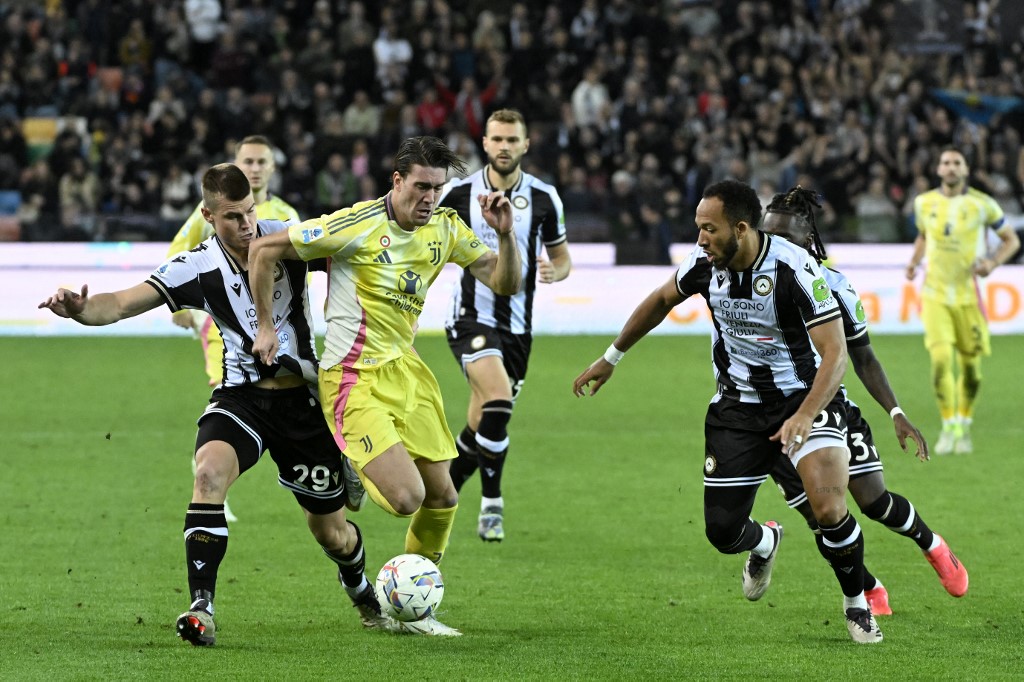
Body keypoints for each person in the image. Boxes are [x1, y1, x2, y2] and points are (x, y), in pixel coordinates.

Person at [38, 164, 391, 646]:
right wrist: (79, 310)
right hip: (240, 397)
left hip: (303, 403)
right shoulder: (196, 266)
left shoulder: (289, 239)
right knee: (207, 475)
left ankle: (360, 588)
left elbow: (358, 254)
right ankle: (201, 606)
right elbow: (120, 302)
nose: (247, 226)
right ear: (207, 215)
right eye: (232, 218)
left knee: (331, 533)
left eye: (250, 213)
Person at [573, 180, 883, 644]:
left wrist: (803, 415)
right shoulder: (703, 265)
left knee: (829, 508)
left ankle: (857, 603)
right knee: (721, 532)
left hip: (805, 400)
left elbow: (835, 354)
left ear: (741, 228)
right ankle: (765, 541)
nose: (700, 240)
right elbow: (661, 301)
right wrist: (611, 357)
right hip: (737, 409)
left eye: (709, 230)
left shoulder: (794, 270)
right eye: (698, 229)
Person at [249, 136, 523, 636]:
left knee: (443, 496)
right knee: (406, 498)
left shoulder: (445, 228)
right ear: (396, 181)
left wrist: (505, 237)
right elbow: (265, 248)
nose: (429, 198)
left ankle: (414, 610)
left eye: (437, 189)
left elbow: (504, 282)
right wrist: (266, 326)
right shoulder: (354, 224)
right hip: (353, 376)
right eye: (420, 187)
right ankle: (351, 462)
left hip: (407, 371)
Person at [763, 186, 969, 615]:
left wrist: (896, 412)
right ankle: (869, 587)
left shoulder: (832, 286)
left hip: (827, 409)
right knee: (820, 517)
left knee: (874, 501)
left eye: (785, 237)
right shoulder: (748, 279)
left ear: (807, 240)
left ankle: (933, 544)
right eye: (769, 235)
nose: (775, 246)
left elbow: (863, 356)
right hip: (771, 415)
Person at [439, 109, 572, 542]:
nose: (504, 147)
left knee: (483, 423)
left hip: (518, 328)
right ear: (484, 143)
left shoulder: (545, 197)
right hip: (469, 317)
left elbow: (562, 256)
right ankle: (492, 505)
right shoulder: (458, 194)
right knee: (498, 400)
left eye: (512, 140)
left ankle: (444, 491)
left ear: (525, 145)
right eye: (497, 139)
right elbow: (423, 243)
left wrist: (558, 271)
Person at [167, 134, 301, 522]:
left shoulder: (286, 214)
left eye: (262, 162)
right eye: (248, 161)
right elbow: (180, 248)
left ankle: (289, 463)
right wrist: (182, 304)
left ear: (272, 168)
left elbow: (300, 271)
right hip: (222, 323)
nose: (255, 168)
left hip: (277, 326)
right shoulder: (210, 210)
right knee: (228, 393)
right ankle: (213, 484)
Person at [906, 148, 1020, 454]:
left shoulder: (982, 204)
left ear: (966, 169)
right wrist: (914, 261)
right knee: (941, 361)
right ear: (938, 169)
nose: (951, 167)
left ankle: (964, 422)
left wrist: (992, 264)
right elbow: (923, 236)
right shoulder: (923, 202)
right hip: (935, 296)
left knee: (971, 371)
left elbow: (1012, 240)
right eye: (945, 162)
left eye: (957, 163)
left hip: (969, 297)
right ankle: (949, 425)